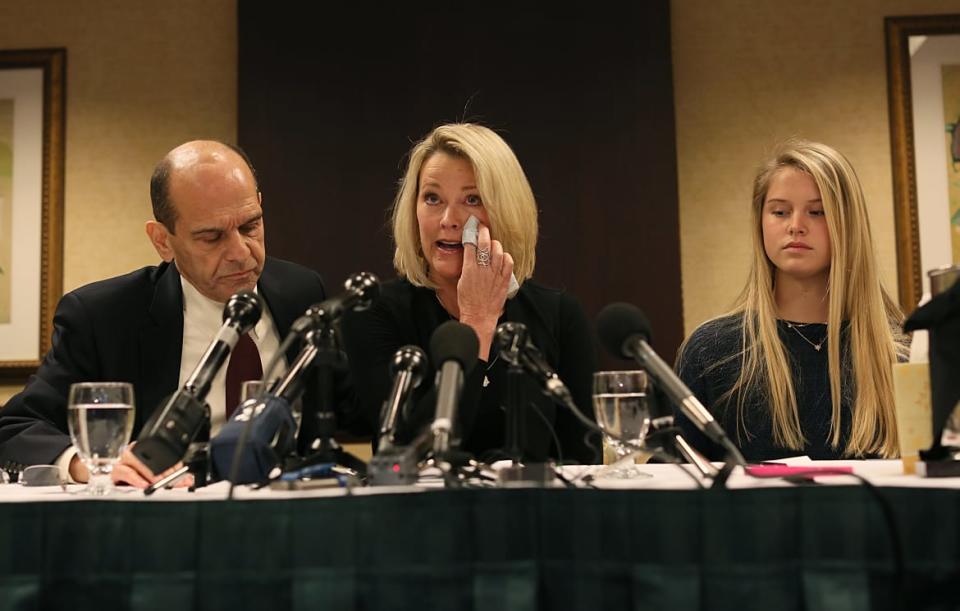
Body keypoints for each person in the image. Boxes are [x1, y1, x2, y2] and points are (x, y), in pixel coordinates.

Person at [0, 140, 331, 487]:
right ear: (163, 241)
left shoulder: (302, 292)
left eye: (250, 226)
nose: (240, 252)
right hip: (163, 519)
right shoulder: (104, 317)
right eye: (212, 237)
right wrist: (89, 464)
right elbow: (16, 427)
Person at [341, 123, 599, 464]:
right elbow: (407, 455)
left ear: (506, 211)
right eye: (432, 198)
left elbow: (585, 462)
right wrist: (477, 321)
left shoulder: (560, 315)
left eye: (472, 199)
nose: (449, 219)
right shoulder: (373, 312)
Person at [675, 139, 909, 462]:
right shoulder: (711, 352)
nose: (796, 226)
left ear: (848, 224)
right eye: (780, 212)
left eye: (817, 212)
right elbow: (673, 484)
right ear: (761, 222)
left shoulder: (903, 353)